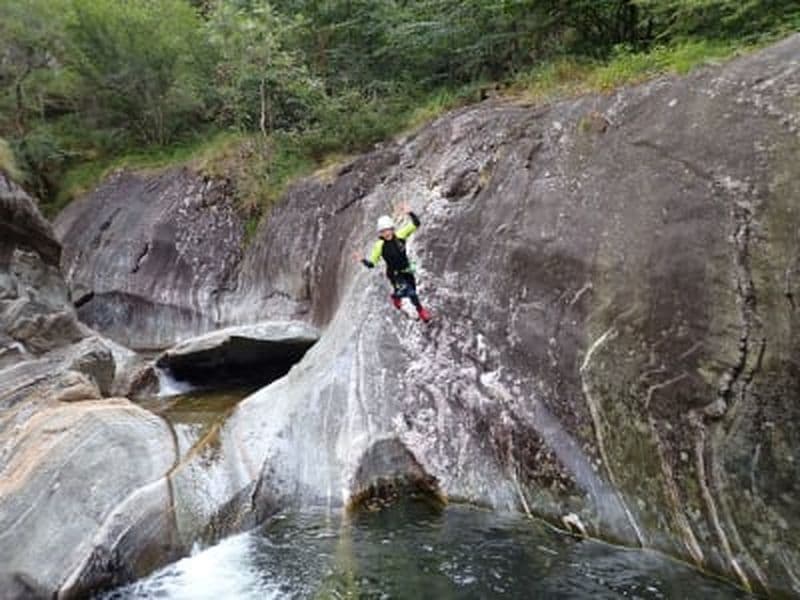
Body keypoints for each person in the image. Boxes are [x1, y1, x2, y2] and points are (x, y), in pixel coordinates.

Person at [356, 203, 432, 322]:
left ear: (392, 229)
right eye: (383, 231)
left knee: (413, 293)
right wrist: (362, 259)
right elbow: (372, 264)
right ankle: (421, 311)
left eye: (388, 230)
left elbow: (416, 224)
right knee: (411, 293)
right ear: (380, 233)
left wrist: (410, 212)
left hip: (407, 269)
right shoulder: (379, 246)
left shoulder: (400, 235)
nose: (386, 233)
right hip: (394, 273)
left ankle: (397, 296)